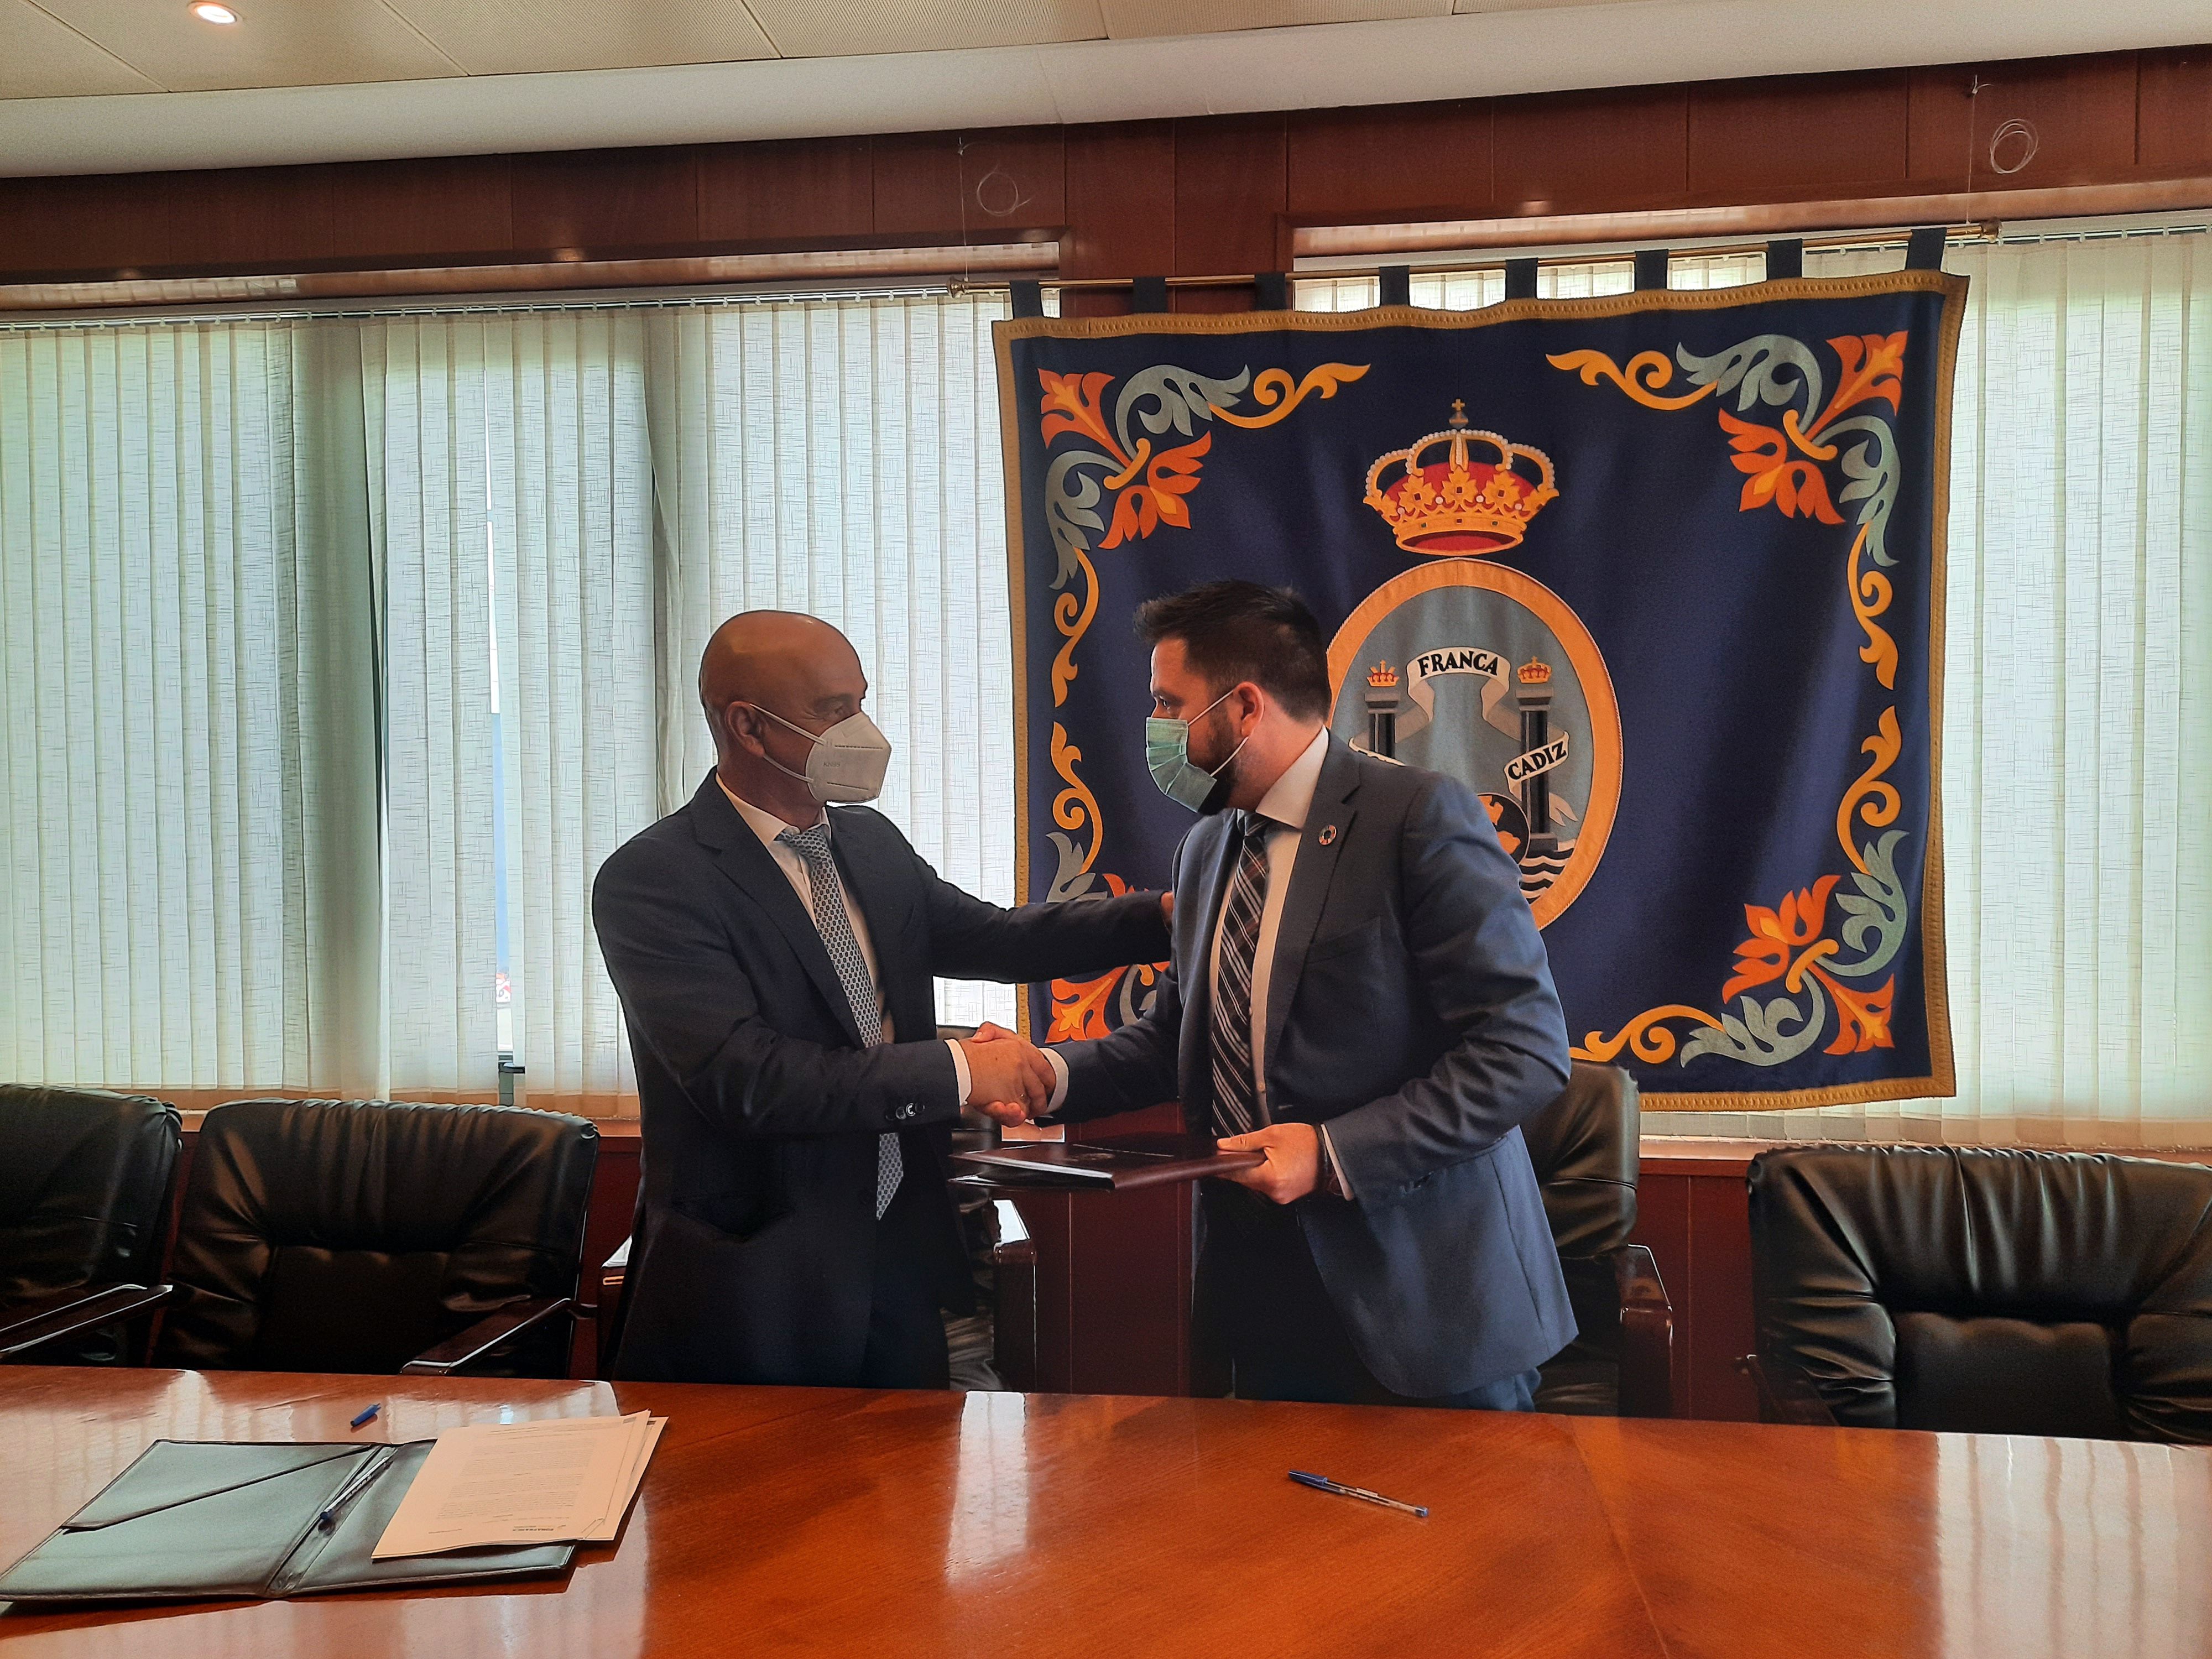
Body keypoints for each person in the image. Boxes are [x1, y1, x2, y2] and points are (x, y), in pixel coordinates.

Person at [997, 580, 1573, 1408]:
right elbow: (1177, 1038)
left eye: (1168, 704)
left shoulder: (1415, 816)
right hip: (1259, 1295)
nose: (1155, 727)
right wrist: (1046, 1074)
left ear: (1243, 707)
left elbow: (1523, 1052)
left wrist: (1334, 1153)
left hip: (1426, 1299)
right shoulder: (1206, 848)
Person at [593, 610, 1169, 1389]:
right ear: (748, 727)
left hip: (899, 1253)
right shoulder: (656, 880)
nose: (862, 731)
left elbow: (998, 940)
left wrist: (1163, 918)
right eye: (834, 711)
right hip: (758, 1281)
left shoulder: (869, 842)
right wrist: (960, 1071)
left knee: (915, 1466)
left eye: (860, 703)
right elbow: (749, 1079)